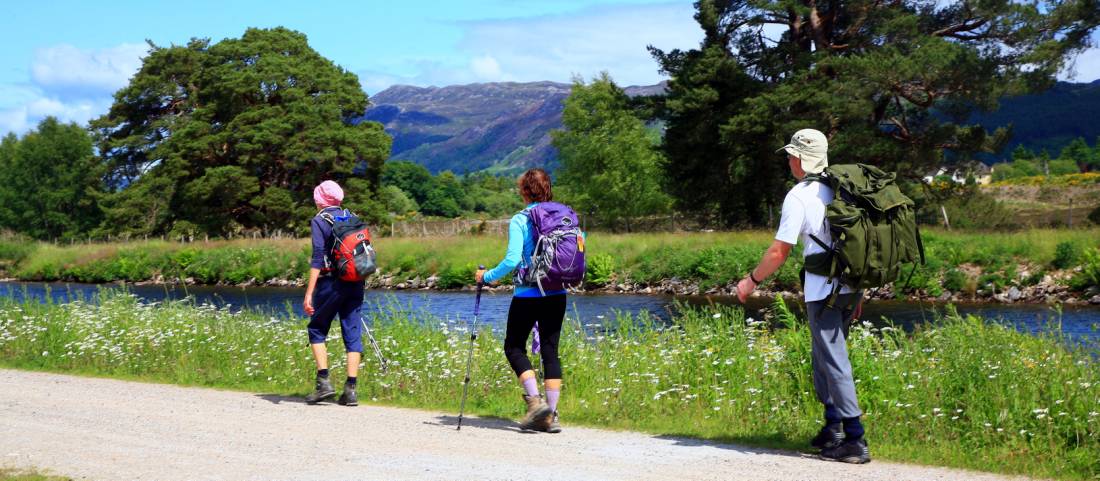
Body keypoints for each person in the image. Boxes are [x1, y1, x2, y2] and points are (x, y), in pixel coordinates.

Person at [735, 129, 870, 464]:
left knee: (833, 359)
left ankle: (855, 439)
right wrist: (860, 292)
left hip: (822, 290)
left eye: (792, 155)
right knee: (822, 356)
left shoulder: (799, 196)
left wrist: (751, 281)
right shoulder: (845, 189)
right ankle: (833, 428)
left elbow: (779, 251)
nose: (789, 160)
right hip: (850, 286)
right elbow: (860, 243)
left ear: (802, 159)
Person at [475, 168, 566, 433]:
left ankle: (536, 404)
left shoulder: (520, 219)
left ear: (525, 191)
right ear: (548, 188)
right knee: (550, 351)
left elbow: (513, 259)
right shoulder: (564, 216)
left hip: (527, 294)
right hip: (557, 292)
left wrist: (488, 276)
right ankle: (552, 416)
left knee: (514, 347)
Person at [303, 180, 364, 406]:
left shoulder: (320, 220)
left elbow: (318, 255)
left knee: (317, 328)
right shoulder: (352, 217)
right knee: (352, 332)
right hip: (356, 280)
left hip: (330, 282)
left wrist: (309, 292)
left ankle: (324, 384)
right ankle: (350, 390)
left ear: (320, 198)